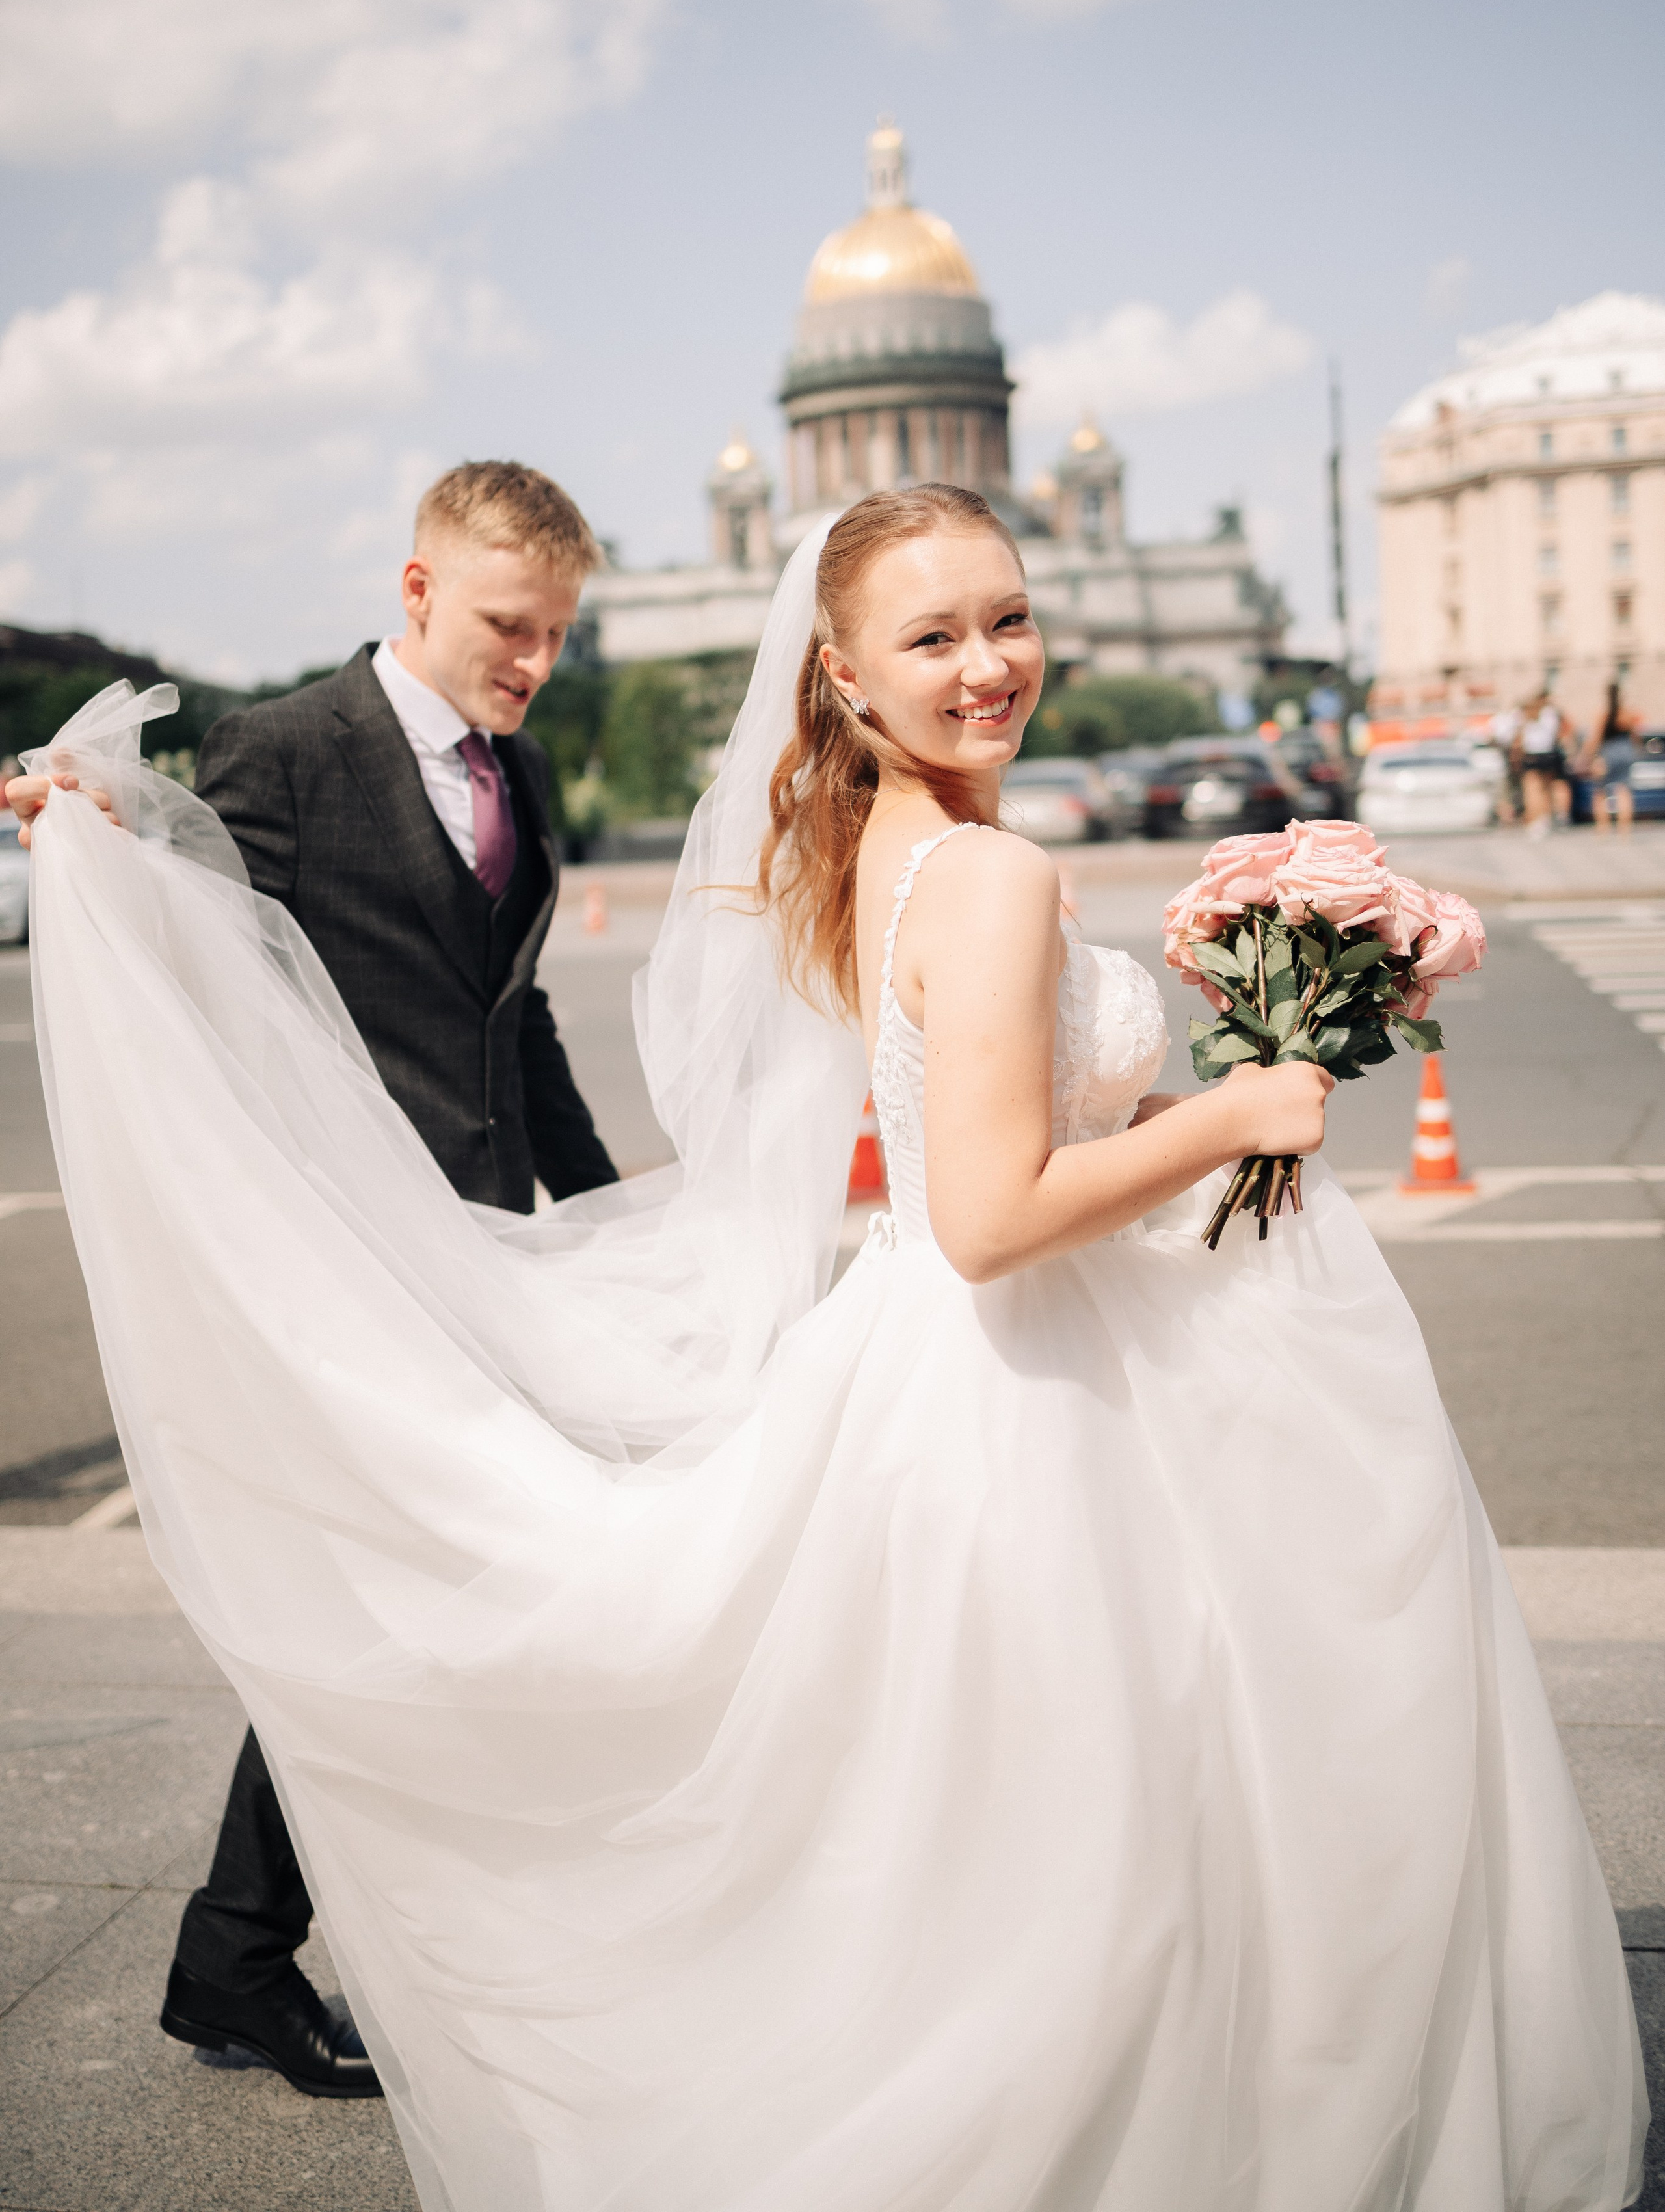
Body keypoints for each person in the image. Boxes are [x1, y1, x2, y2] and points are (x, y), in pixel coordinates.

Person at [10, 486, 1645, 2207]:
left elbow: (988, 1106)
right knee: (1126, 1824)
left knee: (1044, 1842)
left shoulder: (883, 840)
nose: (990, 663)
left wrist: (1176, 1106)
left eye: (1006, 618)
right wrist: (1242, 1104)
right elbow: (992, 1214)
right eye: (933, 637)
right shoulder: (993, 870)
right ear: (848, 679)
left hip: (968, 1372)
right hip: (1034, 1382)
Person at [16, 459, 618, 2101]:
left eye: (558, 631)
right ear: (416, 590)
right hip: (349, 1259)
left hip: (488, 1249)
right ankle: (254, 1952)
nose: (535, 659)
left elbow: (518, 1010)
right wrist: (92, 822)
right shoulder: (284, 748)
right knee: (411, 1598)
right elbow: (193, 924)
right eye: (511, 624)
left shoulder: (526, 764)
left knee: (431, 1601)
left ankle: (239, 1955)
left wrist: (608, 1218)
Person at [1580, 679, 1643, 836]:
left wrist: (1589, 756)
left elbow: (1596, 738)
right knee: (1624, 791)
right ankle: (1625, 830)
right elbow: (1635, 737)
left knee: (1600, 791)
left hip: (1608, 753)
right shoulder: (1626, 714)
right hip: (1626, 752)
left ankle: (1603, 828)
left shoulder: (1605, 714)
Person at [1519, 687, 1572, 836]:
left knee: (1532, 791)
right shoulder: (1551, 713)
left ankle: (1536, 821)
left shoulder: (1527, 713)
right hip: (1548, 754)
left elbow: (1520, 737)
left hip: (1531, 755)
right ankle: (1548, 818)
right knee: (1548, 789)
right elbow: (1557, 734)